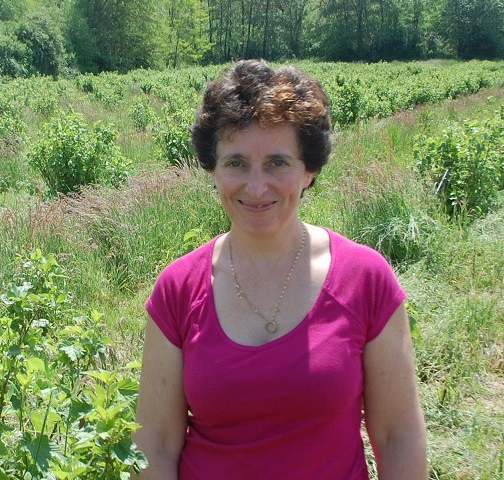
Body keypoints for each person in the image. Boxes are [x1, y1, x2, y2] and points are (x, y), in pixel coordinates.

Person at [132, 59, 427, 479]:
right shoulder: (178, 289)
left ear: (308, 170)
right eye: (235, 162)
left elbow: (398, 436)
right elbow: (156, 445)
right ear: (212, 170)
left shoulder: (365, 279)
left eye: (277, 162)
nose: (256, 186)